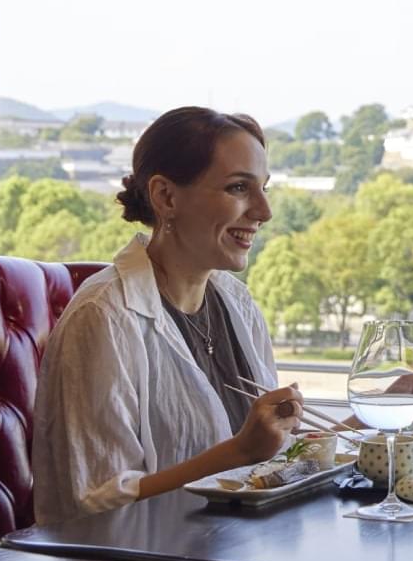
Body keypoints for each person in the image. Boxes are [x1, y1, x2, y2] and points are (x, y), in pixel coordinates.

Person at [33, 107, 304, 524]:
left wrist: (363, 423)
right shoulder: (104, 317)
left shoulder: (238, 303)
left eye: (264, 189)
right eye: (238, 188)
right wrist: (240, 452)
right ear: (166, 197)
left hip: (232, 558)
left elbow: (267, 462)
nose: (264, 211)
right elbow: (92, 506)